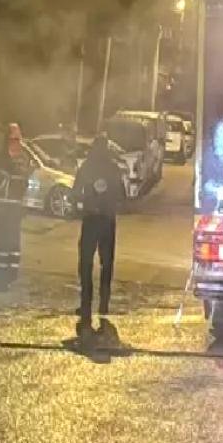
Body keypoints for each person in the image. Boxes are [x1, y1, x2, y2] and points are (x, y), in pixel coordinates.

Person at [73, 133, 127, 328]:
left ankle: (85, 304)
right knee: (107, 263)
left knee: (86, 263)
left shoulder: (86, 167)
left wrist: (85, 201)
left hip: (90, 220)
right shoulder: (113, 169)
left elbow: (75, 192)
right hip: (107, 221)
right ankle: (104, 303)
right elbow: (122, 194)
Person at [0, 123, 35, 282]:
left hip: (10, 203)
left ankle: (7, 267)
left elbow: (2, 179)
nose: (14, 142)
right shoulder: (22, 157)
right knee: (9, 236)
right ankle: (5, 266)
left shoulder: (7, 157)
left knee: (9, 236)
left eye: (15, 139)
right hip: (9, 203)